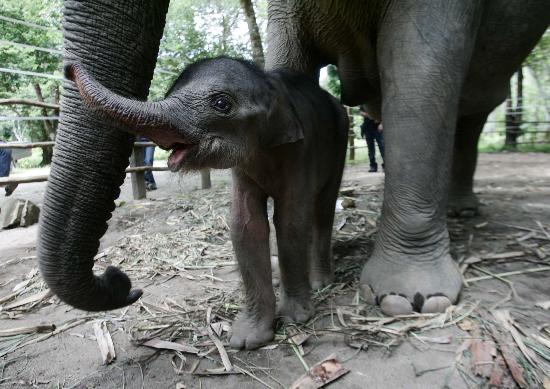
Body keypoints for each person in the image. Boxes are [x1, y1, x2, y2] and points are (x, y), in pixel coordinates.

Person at [359, 105, 385, 172]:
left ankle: (385, 165)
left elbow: (384, 112)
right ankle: (373, 166)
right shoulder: (364, 102)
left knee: (382, 147)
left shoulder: (378, 101)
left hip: (378, 128)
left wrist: (382, 124)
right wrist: (371, 116)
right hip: (367, 128)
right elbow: (361, 112)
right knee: (370, 149)